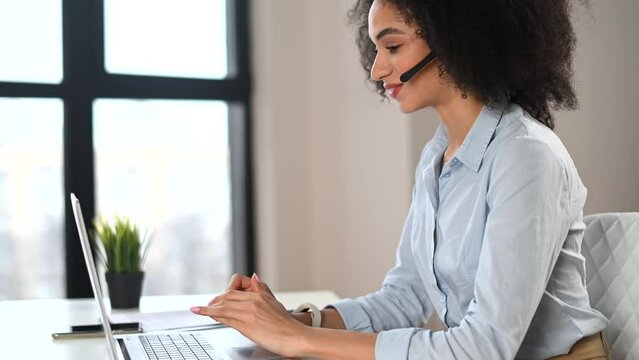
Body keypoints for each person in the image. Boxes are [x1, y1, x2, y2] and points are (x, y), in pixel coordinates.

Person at [190, 0, 611, 358]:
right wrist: (294, 321)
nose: (376, 70)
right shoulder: (436, 158)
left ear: (456, 38)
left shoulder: (526, 156)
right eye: (376, 49)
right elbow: (403, 300)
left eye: (392, 46)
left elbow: (485, 347)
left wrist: (300, 339)